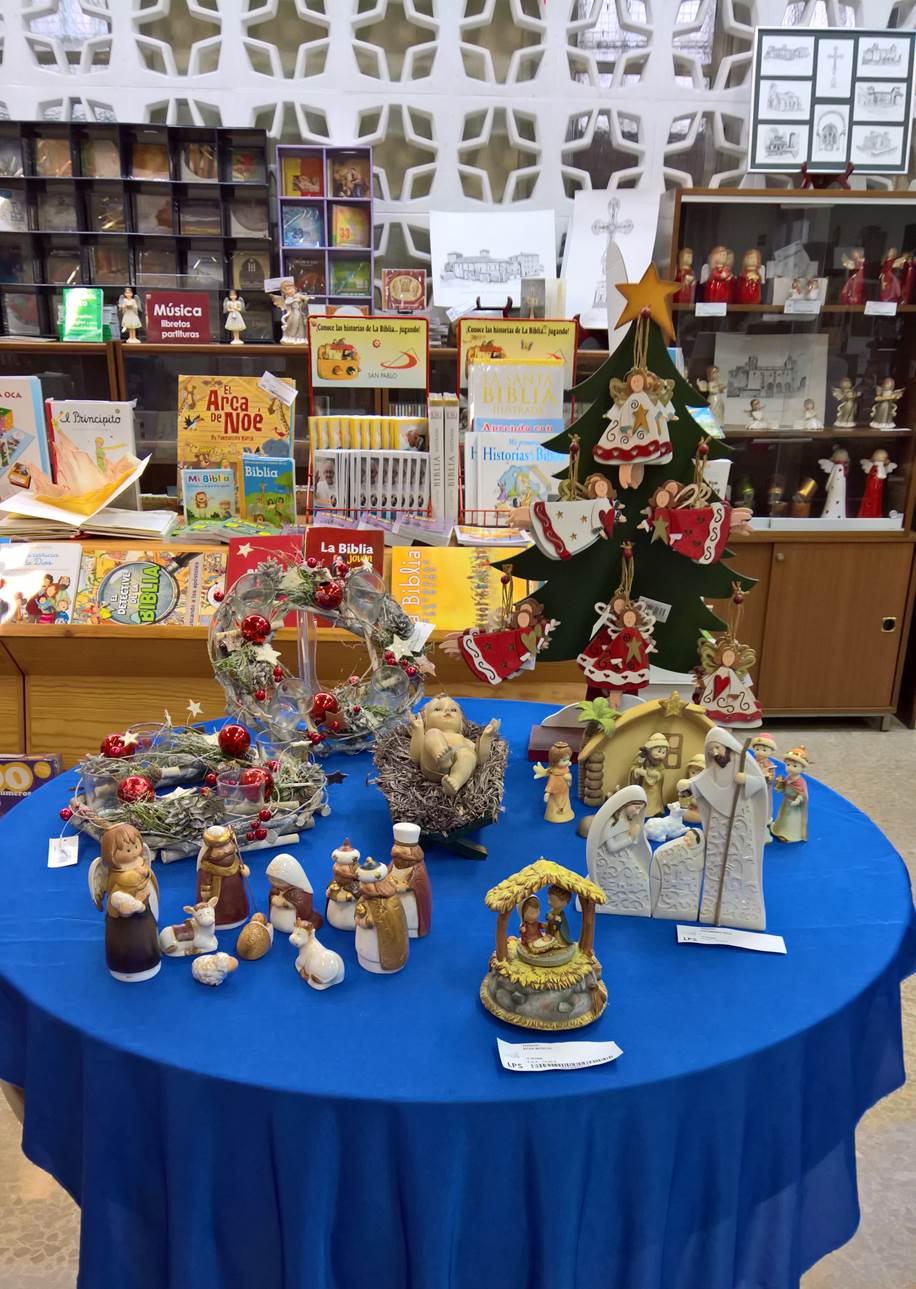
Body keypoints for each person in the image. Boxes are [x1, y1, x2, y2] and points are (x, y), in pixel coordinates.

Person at [692, 727, 768, 931]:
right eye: (711, 750)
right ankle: (713, 910)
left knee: (740, 860)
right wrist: (689, 786)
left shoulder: (742, 760)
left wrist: (747, 780)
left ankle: (743, 909)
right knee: (717, 861)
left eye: (717, 748)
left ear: (726, 746)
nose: (715, 753)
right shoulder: (714, 766)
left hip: (739, 817)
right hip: (718, 820)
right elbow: (703, 782)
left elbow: (760, 783)